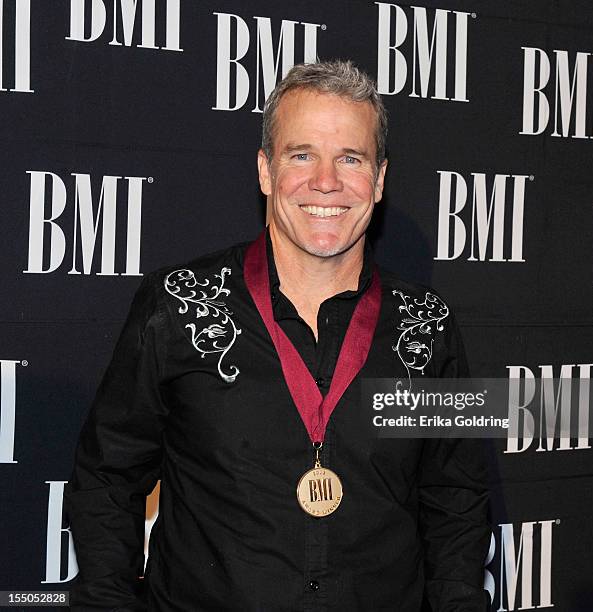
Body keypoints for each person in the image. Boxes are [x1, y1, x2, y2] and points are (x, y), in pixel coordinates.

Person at [65, 60, 490, 611]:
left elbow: (455, 500)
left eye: (351, 159)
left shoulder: (428, 324)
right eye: (301, 154)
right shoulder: (177, 304)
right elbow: (106, 478)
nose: (326, 181)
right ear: (265, 171)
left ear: (379, 179)